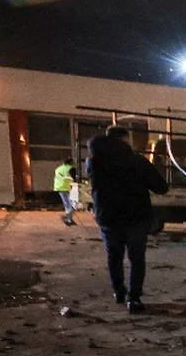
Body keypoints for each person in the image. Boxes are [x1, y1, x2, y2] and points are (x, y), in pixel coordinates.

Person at [86, 127, 169, 313]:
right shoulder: (136, 161)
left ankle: (119, 292)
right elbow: (160, 187)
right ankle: (134, 299)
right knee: (136, 258)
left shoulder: (93, 162)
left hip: (107, 217)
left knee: (114, 255)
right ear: (124, 139)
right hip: (135, 216)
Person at [53, 158, 77, 225]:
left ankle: (69, 219)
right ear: (71, 163)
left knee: (67, 204)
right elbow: (75, 178)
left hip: (60, 187)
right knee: (74, 204)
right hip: (71, 187)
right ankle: (68, 218)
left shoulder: (59, 168)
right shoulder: (71, 168)